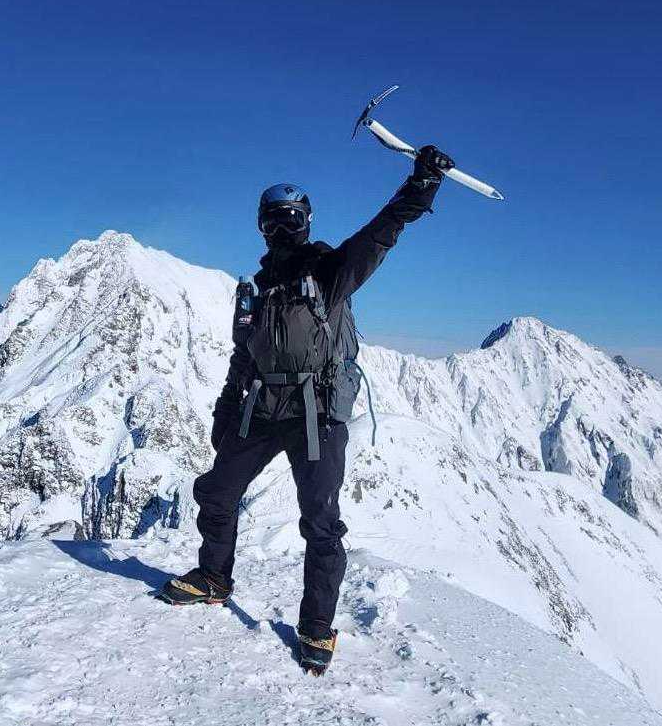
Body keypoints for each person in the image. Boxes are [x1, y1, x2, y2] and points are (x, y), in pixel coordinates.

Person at [159, 145, 455, 675]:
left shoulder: (331, 272)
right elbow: (242, 358)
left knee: (320, 522)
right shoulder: (255, 292)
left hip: (317, 415)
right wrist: (225, 412)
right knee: (217, 491)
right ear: (261, 228)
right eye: (273, 221)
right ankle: (214, 578)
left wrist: (420, 186)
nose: (282, 228)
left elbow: (381, 234)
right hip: (262, 409)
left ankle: (317, 626)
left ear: (305, 222)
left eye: (291, 219)